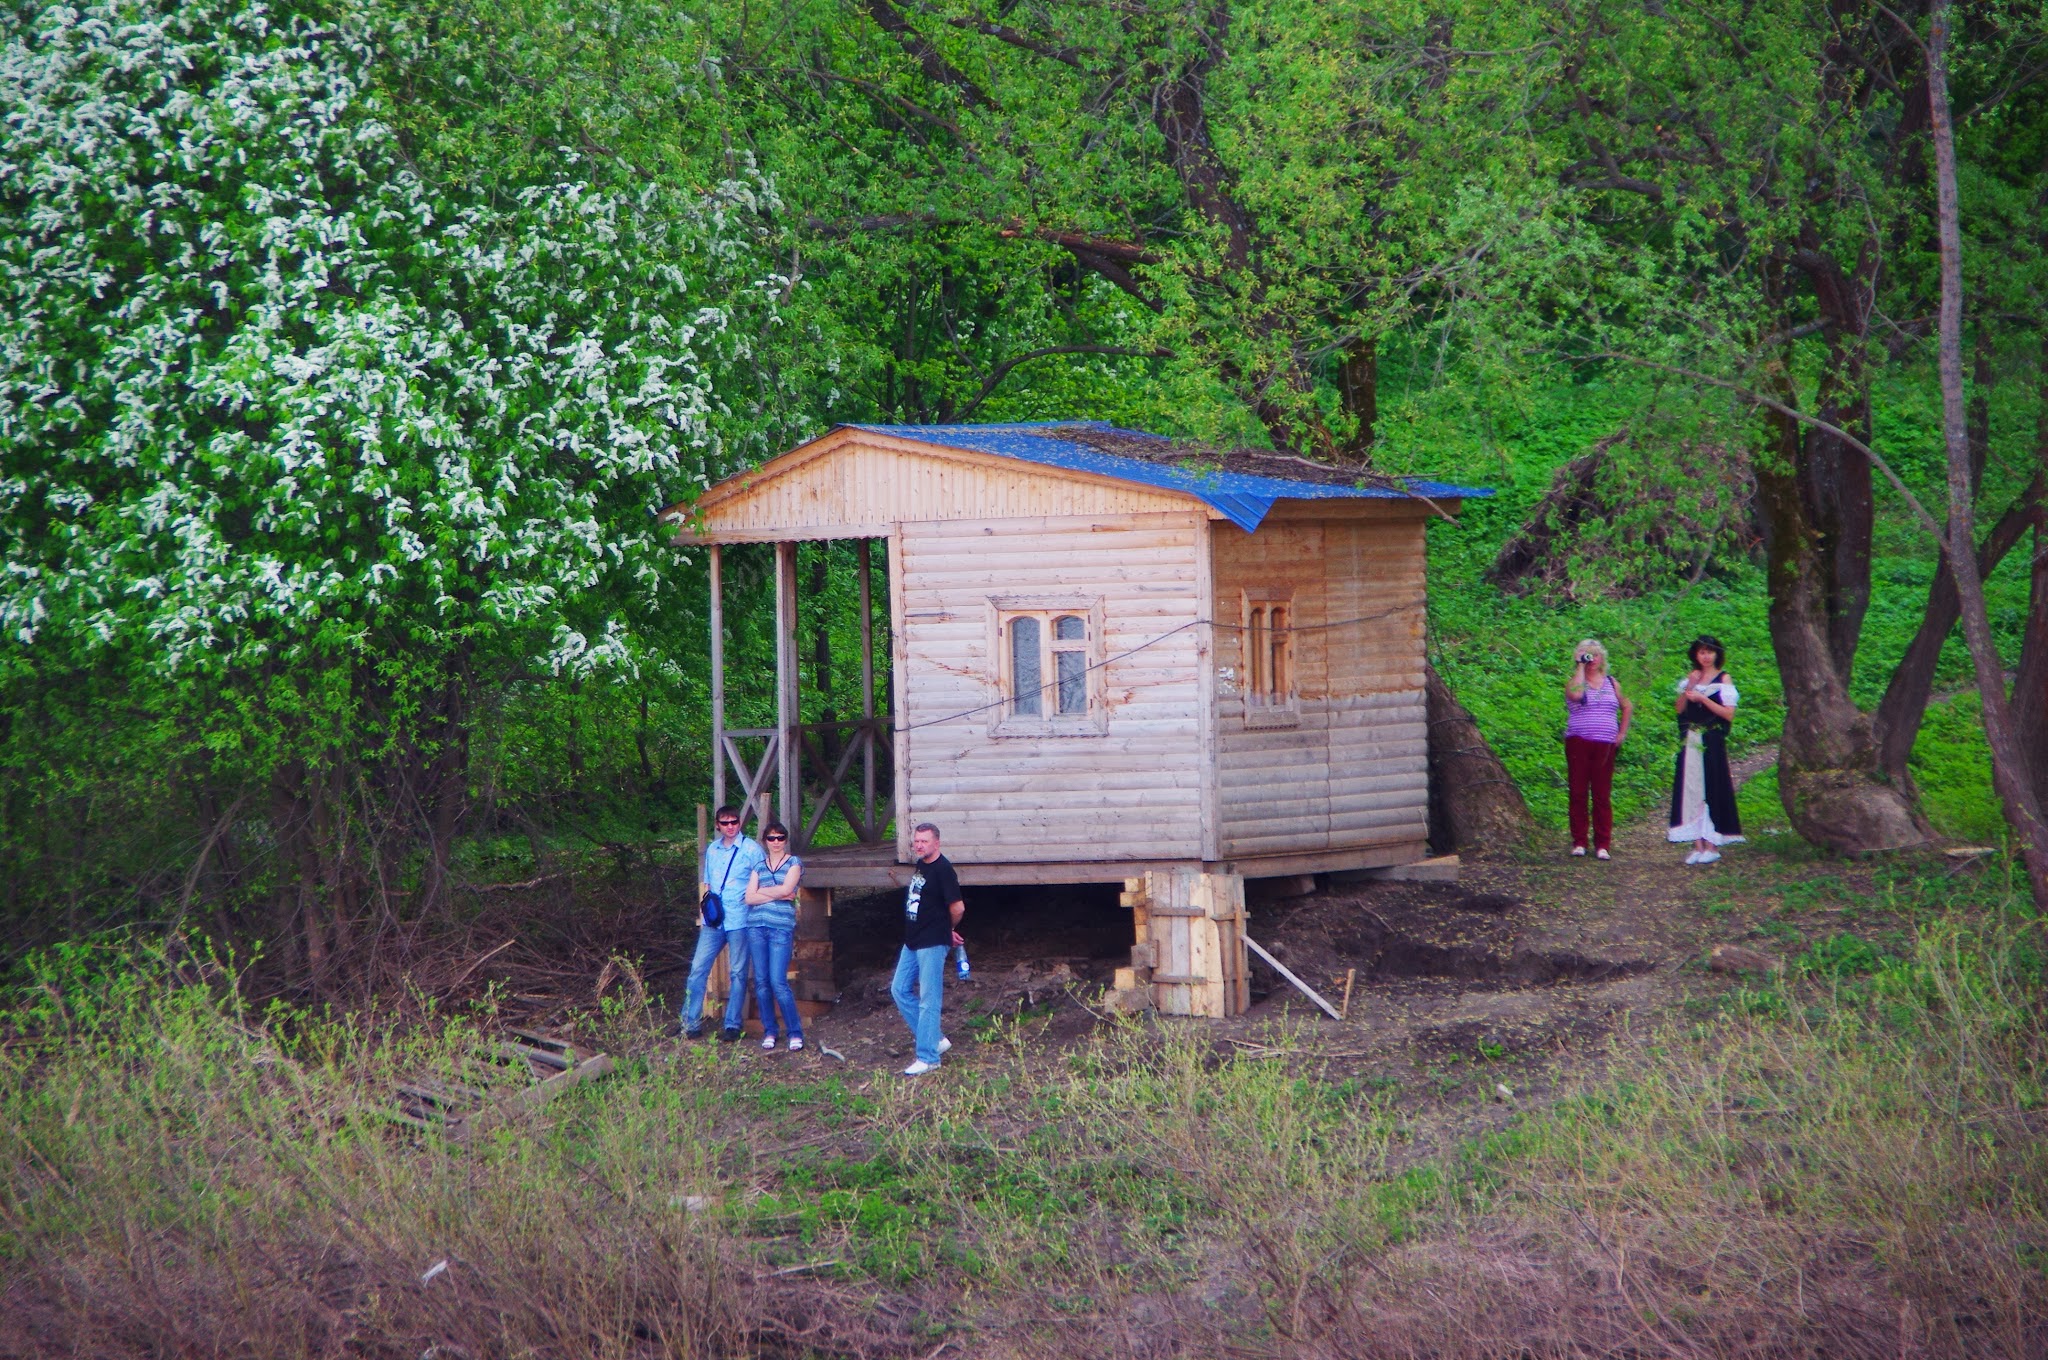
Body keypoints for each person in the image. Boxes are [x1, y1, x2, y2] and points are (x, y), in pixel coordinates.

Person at [681, 805, 760, 1040]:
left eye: (734, 822)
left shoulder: (751, 849)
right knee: (697, 969)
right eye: (725, 823)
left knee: (738, 972)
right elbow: (708, 884)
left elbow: (763, 880)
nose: (730, 827)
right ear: (717, 825)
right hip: (714, 921)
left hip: (740, 919)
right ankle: (690, 1022)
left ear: (740, 823)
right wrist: (706, 910)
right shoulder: (713, 850)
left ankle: (732, 1024)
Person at [892, 822, 964, 1076]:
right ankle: (934, 1039)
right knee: (899, 989)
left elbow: (957, 908)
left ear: (937, 843)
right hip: (912, 939)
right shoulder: (922, 864)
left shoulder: (944, 870)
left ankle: (929, 1057)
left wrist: (947, 930)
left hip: (932, 942)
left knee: (928, 1000)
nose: (919, 845)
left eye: (924, 841)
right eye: (917, 841)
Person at [1668, 636, 1744, 865]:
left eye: (1710, 652)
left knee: (1713, 785)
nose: (1706, 656)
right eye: (1702, 652)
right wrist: (1691, 687)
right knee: (1691, 787)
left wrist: (1703, 698)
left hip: (1711, 739)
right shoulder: (1690, 679)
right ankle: (1697, 844)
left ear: (1716, 654)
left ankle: (1712, 842)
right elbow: (1679, 709)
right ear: (1696, 655)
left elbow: (1728, 713)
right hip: (1691, 739)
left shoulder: (1723, 679)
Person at [1563, 639, 1633, 860]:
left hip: (1605, 744)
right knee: (1578, 792)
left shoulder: (1612, 683)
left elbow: (1626, 705)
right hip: (1579, 742)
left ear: (1603, 658)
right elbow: (1574, 695)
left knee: (1602, 795)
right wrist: (1580, 668)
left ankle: (1603, 843)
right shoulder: (1575, 681)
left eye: (1595, 655)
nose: (1591, 659)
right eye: (1586, 655)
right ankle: (1579, 841)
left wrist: (1621, 733)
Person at [742, 821, 805, 1052]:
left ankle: (795, 1031)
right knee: (761, 982)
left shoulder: (794, 862)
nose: (776, 842)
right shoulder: (758, 866)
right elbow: (748, 898)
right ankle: (770, 1030)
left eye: (780, 837)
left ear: (785, 840)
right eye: (771, 838)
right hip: (756, 926)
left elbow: (788, 888)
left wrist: (761, 892)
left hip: (780, 927)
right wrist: (777, 893)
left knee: (778, 982)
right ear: (765, 841)